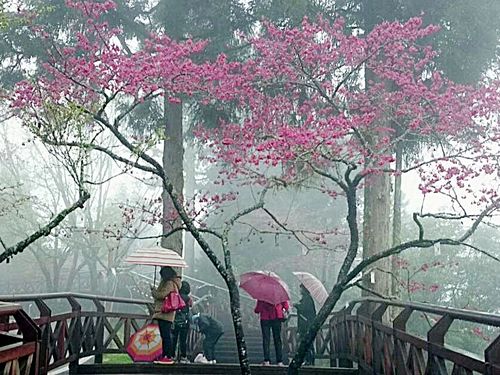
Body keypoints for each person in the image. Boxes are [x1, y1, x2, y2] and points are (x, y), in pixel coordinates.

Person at [151, 266, 181, 365]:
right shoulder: (173, 283)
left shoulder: (169, 283)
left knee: (166, 336)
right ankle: (165, 355)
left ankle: (167, 356)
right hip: (167, 313)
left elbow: (161, 295)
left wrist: (154, 291)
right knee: (165, 335)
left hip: (165, 312)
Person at [254, 299, 290, 366]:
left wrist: (257, 309)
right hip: (276, 317)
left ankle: (267, 360)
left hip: (265, 318)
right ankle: (279, 361)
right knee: (277, 339)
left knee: (266, 339)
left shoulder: (263, 294)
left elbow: (257, 309)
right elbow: (286, 307)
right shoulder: (279, 293)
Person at [295, 284, 317, 365]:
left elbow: (305, 310)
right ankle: (307, 360)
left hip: (307, 325)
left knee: (307, 342)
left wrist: (297, 306)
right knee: (306, 342)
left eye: (301, 288)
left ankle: (310, 360)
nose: (300, 290)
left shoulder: (308, 299)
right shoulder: (305, 299)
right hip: (304, 325)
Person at [172, 280, 193, 363]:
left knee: (174, 339)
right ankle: (183, 356)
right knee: (183, 340)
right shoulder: (188, 298)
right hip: (185, 321)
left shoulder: (176, 296)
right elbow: (191, 306)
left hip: (175, 320)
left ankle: (172, 356)